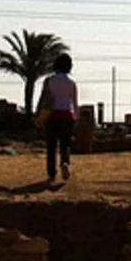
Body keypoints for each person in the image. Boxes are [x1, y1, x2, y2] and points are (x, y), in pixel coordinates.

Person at [36, 52, 78, 185]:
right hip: (67, 115)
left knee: (51, 145)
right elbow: (75, 103)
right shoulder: (71, 83)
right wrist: (75, 119)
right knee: (65, 144)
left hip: (52, 116)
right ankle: (64, 162)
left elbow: (43, 99)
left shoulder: (49, 81)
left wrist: (38, 116)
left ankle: (51, 174)